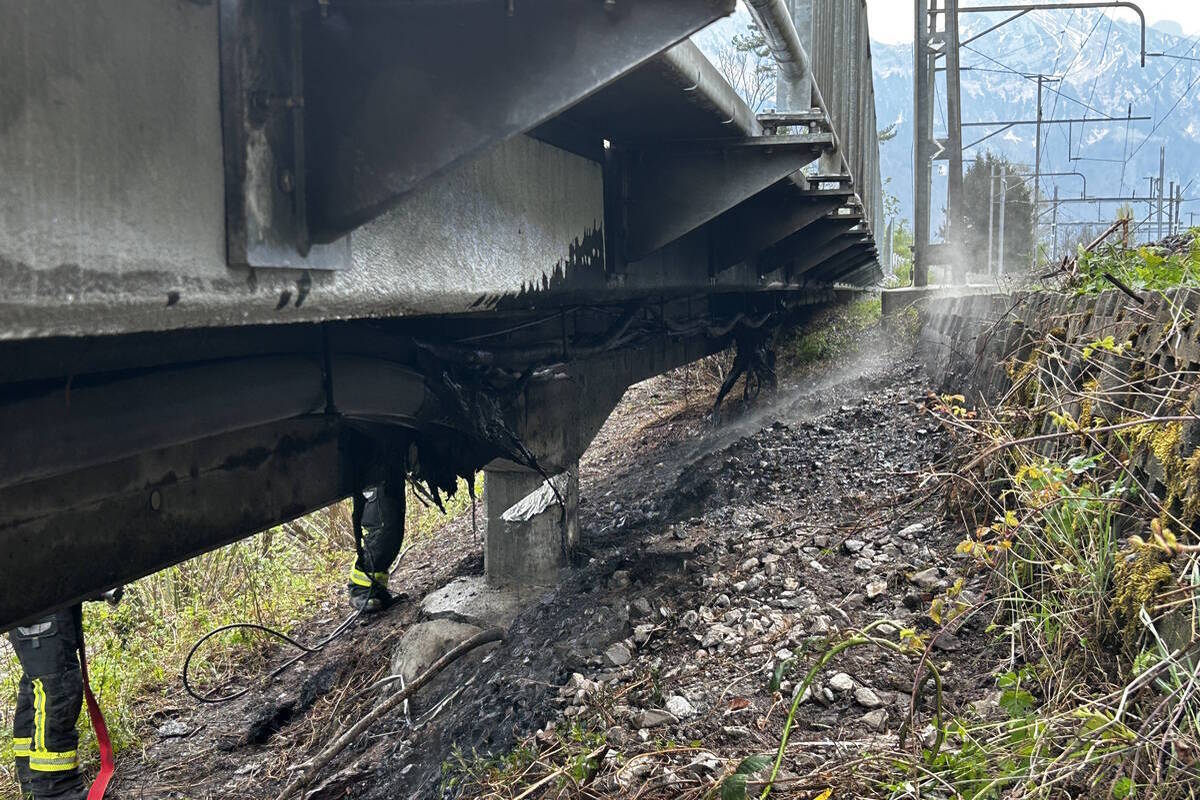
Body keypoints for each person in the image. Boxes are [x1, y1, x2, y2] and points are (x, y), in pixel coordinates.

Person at [8, 606, 89, 800]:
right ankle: (57, 790)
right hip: (43, 607)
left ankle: (33, 780)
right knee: (58, 692)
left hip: (33, 608)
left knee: (37, 687)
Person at [347, 481, 406, 613]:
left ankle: (376, 590)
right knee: (383, 528)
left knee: (392, 527)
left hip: (387, 466)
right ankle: (361, 590)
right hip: (373, 468)